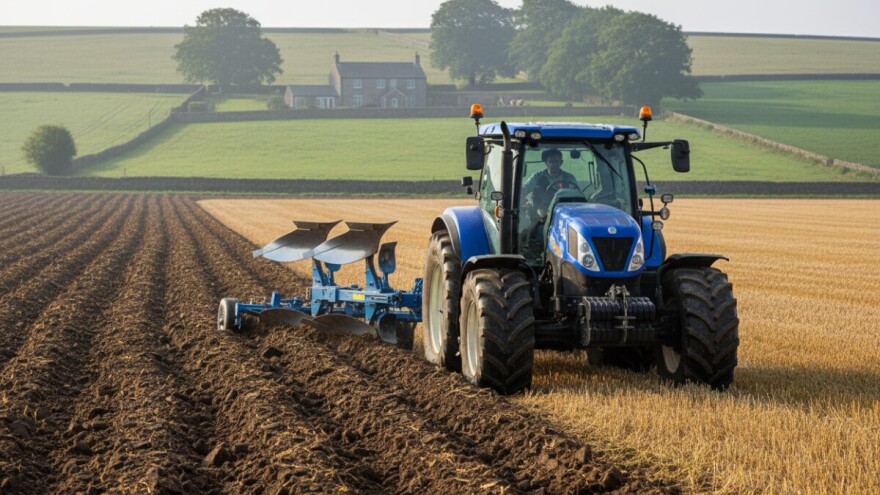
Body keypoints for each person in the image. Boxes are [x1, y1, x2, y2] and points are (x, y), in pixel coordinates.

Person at [522, 149, 579, 218]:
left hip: (564, 213)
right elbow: (523, 191)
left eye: (556, 161)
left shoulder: (569, 178)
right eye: (550, 161)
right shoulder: (537, 177)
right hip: (540, 214)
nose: (553, 164)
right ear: (546, 163)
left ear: (561, 162)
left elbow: (578, 195)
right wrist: (524, 201)